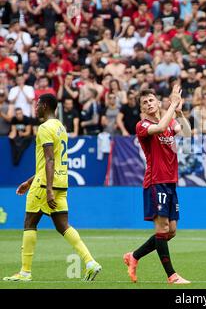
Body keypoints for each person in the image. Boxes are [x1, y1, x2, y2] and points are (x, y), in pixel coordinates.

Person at [3, 95, 101, 282]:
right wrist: (29, 181)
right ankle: (90, 262)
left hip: (45, 185)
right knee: (63, 225)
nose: (35, 108)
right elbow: (52, 160)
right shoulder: (60, 127)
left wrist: (47, 189)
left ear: (45, 106)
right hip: (61, 182)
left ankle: (25, 272)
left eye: (37, 104)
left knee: (29, 223)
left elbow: (49, 159)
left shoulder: (45, 128)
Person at [123, 86, 192, 284]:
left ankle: (133, 256)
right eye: (145, 102)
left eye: (151, 100)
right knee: (162, 229)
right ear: (142, 109)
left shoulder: (170, 121)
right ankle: (172, 275)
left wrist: (178, 112)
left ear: (158, 103)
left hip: (170, 182)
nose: (149, 104)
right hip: (155, 182)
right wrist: (172, 104)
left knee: (171, 231)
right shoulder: (142, 126)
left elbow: (187, 133)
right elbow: (160, 128)